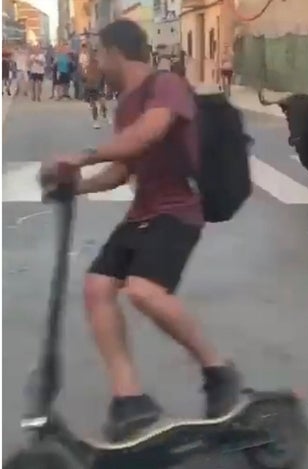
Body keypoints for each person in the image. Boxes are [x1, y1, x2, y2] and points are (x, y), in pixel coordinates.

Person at [41, 19, 240, 442]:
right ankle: (130, 398)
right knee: (97, 287)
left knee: (143, 291)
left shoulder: (165, 86)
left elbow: (149, 133)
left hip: (177, 211)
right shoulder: (126, 104)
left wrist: (80, 156)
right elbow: (123, 168)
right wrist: (78, 186)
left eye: (97, 53)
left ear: (115, 52)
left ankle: (219, 371)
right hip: (143, 212)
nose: (94, 61)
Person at [83, 54, 110, 128]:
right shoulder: (88, 67)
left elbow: (105, 78)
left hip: (97, 87)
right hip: (91, 88)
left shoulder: (101, 67)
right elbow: (84, 77)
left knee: (101, 104)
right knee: (95, 105)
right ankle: (96, 121)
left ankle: (103, 116)